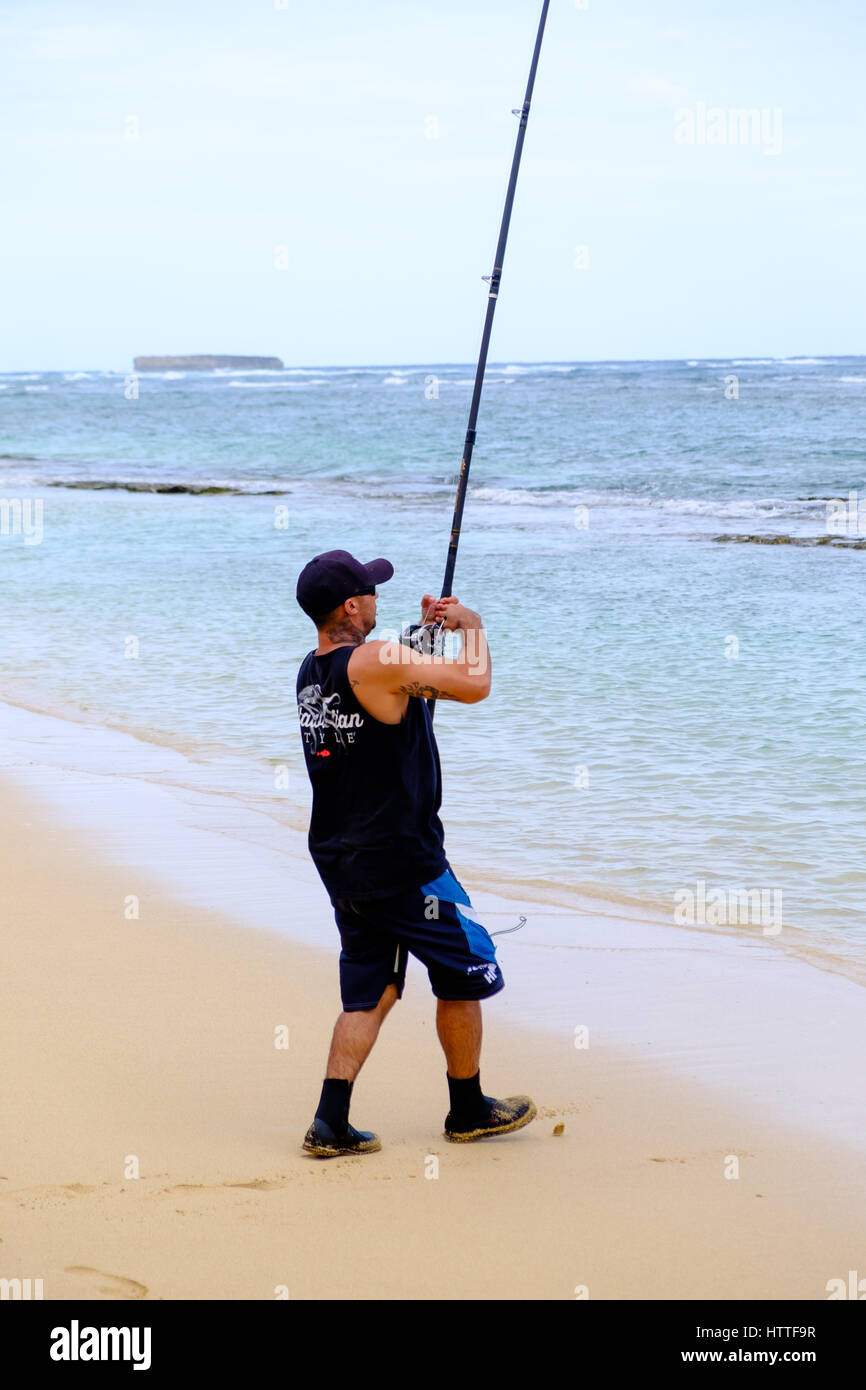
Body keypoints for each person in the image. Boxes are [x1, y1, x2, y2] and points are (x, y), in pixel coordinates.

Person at [295, 548, 536, 1157]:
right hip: (402, 861)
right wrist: (471, 629)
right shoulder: (377, 662)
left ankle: (330, 1122)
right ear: (352, 605)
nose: (377, 597)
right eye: (371, 591)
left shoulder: (313, 669)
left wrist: (423, 637)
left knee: (371, 989)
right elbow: (474, 686)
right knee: (464, 969)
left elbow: (390, 689)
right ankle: (468, 1109)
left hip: (341, 859)